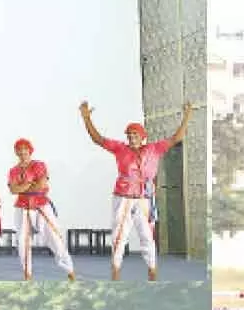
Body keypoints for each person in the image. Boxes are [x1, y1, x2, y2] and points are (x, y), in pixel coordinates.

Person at [79, 101, 194, 281]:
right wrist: (86, 118)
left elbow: (176, 138)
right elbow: (98, 139)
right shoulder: (120, 148)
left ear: (143, 137)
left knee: (147, 235)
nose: (132, 137)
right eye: (129, 134)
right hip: (123, 196)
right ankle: (115, 272)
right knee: (119, 236)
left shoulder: (154, 149)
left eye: (135, 134)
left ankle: (152, 271)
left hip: (143, 197)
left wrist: (187, 116)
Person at [7, 139, 75, 282]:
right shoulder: (13, 170)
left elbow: (41, 185)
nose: (22, 152)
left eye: (25, 148)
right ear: (16, 152)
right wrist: (30, 184)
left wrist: (23, 187)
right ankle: (27, 275)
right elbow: (13, 190)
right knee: (22, 242)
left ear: (30, 150)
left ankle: (70, 271)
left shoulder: (39, 165)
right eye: (19, 149)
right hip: (22, 207)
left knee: (55, 237)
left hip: (41, 205)